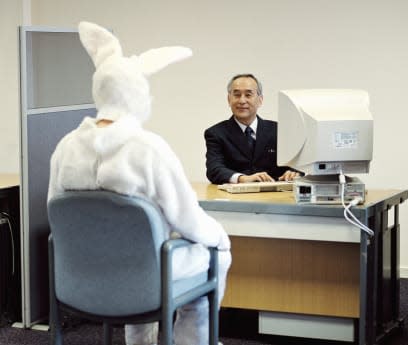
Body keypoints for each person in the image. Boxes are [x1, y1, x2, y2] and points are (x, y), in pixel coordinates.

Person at [47, 21, 231, 345]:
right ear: (138, 94)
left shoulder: (65, 147)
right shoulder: (148, 149)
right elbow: (188, 221)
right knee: (217, 252)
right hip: (143, 279)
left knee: (145, 248)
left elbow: (56, 215)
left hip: (81, 280)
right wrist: (219, 236)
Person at [204, 74, 301, 184]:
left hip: (275, 196)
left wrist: (293, 172)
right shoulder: (216, 133)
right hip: (235, 197)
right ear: (229, 99)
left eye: (248, 95)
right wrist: (243, 178)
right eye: (237, 95)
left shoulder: (278, 130)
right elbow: (214, 170)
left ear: (260, 100)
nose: (242, 100)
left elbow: (298, 163)